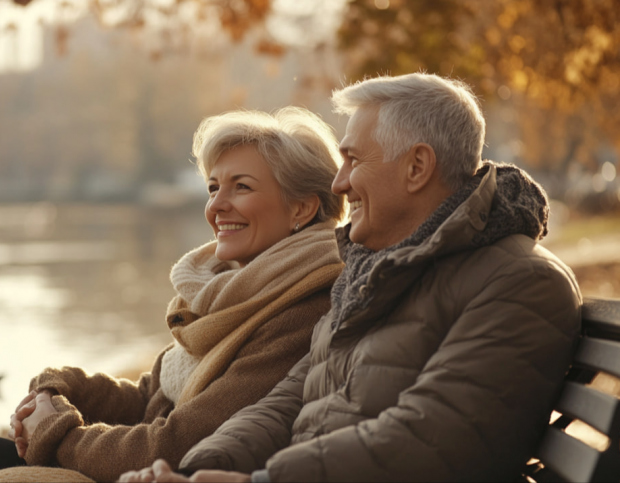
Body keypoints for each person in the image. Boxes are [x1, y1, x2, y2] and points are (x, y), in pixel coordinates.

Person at [120, 73, 582, 483]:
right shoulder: (377, 274)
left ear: (416, 167)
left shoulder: (519, 282)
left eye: (353, 160)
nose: (338, 184)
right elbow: (285, 403)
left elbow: (429, 440)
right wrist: (196, 470)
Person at [0, 106, 347, 483]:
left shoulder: (304, 306)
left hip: (167, 472)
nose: (217, 206)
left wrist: (56, 433)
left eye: (241, 187)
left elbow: (177, 443)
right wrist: (60, 387)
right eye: (213, 187)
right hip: (146, 463)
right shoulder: (227, 290)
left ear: (301, 209)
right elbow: (150, 396)